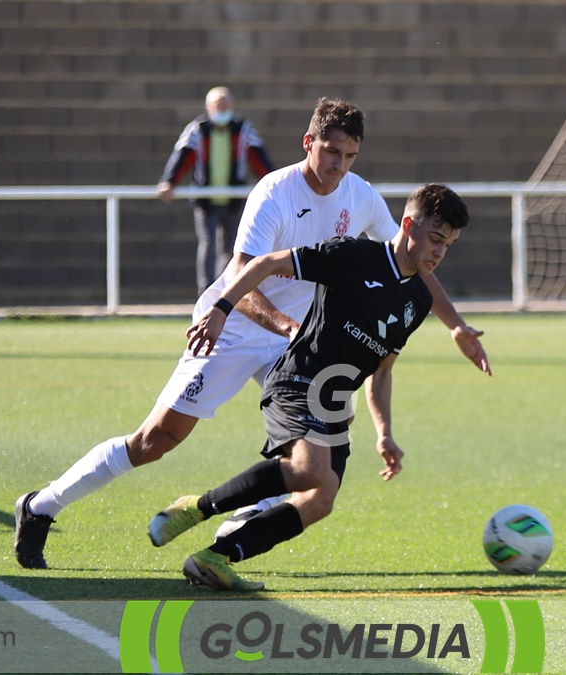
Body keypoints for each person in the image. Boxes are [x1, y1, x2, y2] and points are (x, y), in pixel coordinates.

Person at [13, 98, 490, 570]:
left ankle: (230, 534)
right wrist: (284, 326)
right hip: (237, 324)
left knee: (312, 468)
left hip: (296, 345)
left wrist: (457, 327)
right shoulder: (274, 193)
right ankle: (41, 505)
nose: (340, 166)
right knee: (155, 441)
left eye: (350, 156)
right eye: (331, 152)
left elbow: (413, 259)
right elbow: (244, 277)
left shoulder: (359, 195)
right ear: (309, 143)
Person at [148, 183, 470, 591]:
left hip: (333, 403)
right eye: (436, 239)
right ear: (407, 225)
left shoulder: (418, 300)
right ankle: (196, 508)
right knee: (308, 470)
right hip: (297, 379)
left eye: (449, 245)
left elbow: (383, 370)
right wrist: (220, 310)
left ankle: (215, 558)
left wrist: (385, 434)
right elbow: (264, 263)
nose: (440, 252)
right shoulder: (353, 255)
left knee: (320, 500)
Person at [157, 86, 275, 292]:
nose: (222, 111)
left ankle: (225, 294)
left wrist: (273, 183)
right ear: (208, 108)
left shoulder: (243, 129)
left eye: (226, 106)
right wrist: (169, 181)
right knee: (208, 247)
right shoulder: (197, 130)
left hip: (233, 200)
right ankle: (205, 294)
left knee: (230, 250)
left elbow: (259, 158)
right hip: (206, 201)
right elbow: (182, 156)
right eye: (218, 107)